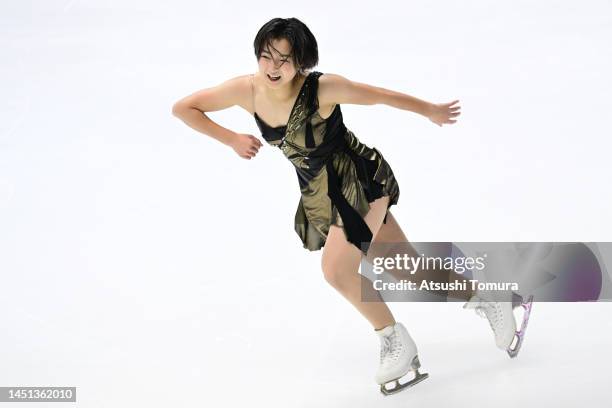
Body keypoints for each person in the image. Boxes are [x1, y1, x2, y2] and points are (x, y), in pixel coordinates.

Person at [172, 17, 532, 396]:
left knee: (336, 270)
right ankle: (488, 300)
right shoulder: (246, 90)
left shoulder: (323, 88)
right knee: (407, 269)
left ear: (302, 62)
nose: (273, 67)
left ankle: (395, 341)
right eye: (266, 56)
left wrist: (430, 110)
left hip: (359, 181)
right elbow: (185, 108)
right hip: (321, 194)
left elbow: (379, 94)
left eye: (284, 59)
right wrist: (230, 138)